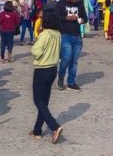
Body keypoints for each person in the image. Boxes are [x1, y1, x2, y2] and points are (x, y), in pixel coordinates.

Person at [29, 8, 63, 144]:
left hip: (42, 69)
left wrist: (37, 44)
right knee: (44, 101)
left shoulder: (45, 34)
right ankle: (37, 129)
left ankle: (54, 126)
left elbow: (35, 50)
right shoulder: (57, 34)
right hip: (53, 68)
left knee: (38, 100)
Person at [56, 0, 87, 91]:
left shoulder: (79, 4)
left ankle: (71, 82)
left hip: (77, 36)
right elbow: (56, 18)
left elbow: (85, 18)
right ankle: (60, 78)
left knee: (74, 61)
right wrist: (67, 18)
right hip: (65, 34)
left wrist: (81, 20)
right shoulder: (60, 4)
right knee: (65, 59)